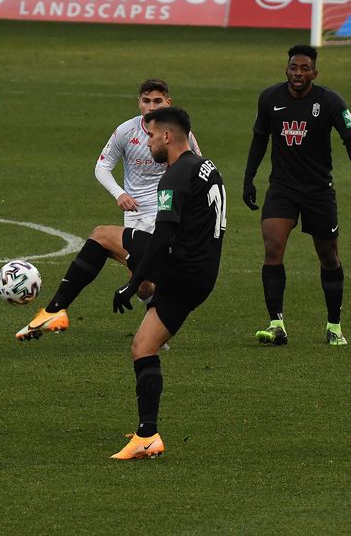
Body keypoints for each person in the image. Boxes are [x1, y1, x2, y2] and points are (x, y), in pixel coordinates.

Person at [21, 108, 226, 459]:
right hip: (202, 277)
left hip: (179, 266)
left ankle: (56, 310)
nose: (146, 143)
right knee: (143, 348)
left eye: (150, 136)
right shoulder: (208, 167)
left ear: (166, 136)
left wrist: (133, 284)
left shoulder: (175, 176)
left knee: (102, 236)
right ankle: (148, 437)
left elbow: (162, 237)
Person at [243, 44, 351, 347]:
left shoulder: (330, 101)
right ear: (286, 70)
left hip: (318, 190)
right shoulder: (270, 98)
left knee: (328, 255)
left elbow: (349, 136)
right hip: (282, 188)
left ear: (315, 73)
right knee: (272, 246)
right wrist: (249, 178)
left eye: (305, 68)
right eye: (294, 67)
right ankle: (276, 324)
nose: (298, 73)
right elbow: (259, 138)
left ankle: (334, 326)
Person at [95, 79, 201, 308]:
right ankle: (156, 320)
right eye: (146, 101)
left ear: (168, 102)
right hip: (135, 213)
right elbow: (101, 167)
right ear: (139, 103)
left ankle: (158, 328)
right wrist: (119, 194)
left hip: (167, 209)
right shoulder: (126, 131)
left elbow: (196, 167)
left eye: (157, 101)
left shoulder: (180, 133)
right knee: (142, 283)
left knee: (163, 271)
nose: (151, 107)